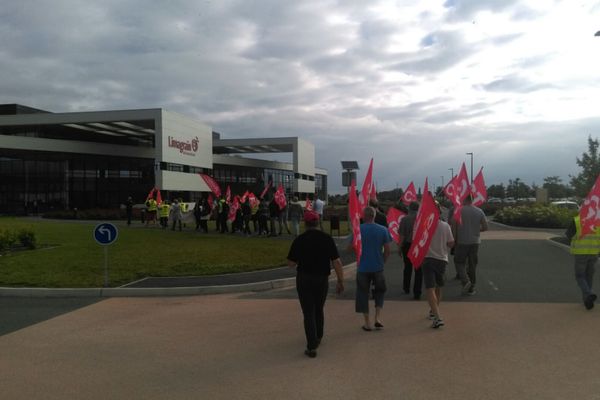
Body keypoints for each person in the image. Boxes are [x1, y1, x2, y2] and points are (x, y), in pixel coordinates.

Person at [287, 210, 344, 358]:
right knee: (319, 308)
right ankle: (318, 336)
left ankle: (311, 346)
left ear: (305, 223)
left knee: (308, 312)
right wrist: (340, 280)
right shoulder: (327, 239)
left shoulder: (299, 240)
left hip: (304, 278)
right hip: (322, 278)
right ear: (318, 222)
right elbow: (336, 261)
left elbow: (291, 263)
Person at [347, 206, 392, 331]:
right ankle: (377, 318)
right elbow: (387, 250)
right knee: (380, 291)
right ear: (374, 216)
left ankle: (367, 322)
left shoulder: (358, 230)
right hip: (378, 266)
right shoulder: (383, 230)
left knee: (362, 293)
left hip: (362, 267)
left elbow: (349, 248)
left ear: (364, 216)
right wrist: (383, 261)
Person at [422, 202, 454, 328]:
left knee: (430, 288)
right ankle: (434, 312)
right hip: (442, 259)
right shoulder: (445, 226)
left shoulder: (423, 225)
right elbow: (451, 243)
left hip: (427, 259)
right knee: (439, 287)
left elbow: (416, 241)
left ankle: (437, 316)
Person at [451, 195, 488, 295]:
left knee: (459, 262)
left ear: (464, 199)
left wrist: (454, 240)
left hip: (462, 241)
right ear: (472, 200)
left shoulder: (458, 211)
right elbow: (485, 227)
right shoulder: (479, 211)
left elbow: (453, 226)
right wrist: (476, 229)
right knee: (472, 264)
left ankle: (465, 280)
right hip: (475, 241)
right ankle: (471, 288)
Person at [565, 215, 600, 310]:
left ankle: (589, 294)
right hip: (594, 253)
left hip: (580, 253)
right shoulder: (597, 220)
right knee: (589, 276)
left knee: (580, 276)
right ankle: (587, 301)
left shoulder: (577, 220)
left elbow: (568, 235)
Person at [398, 201, 422, 300]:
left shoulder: (404, 219)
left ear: (410, 208)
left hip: (407, 245)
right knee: (418, 269)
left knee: (407, 267)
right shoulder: (421, 218)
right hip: (419, 245)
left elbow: (402, 235)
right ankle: (417, 292)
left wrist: (399, 247)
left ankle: (406, 287)